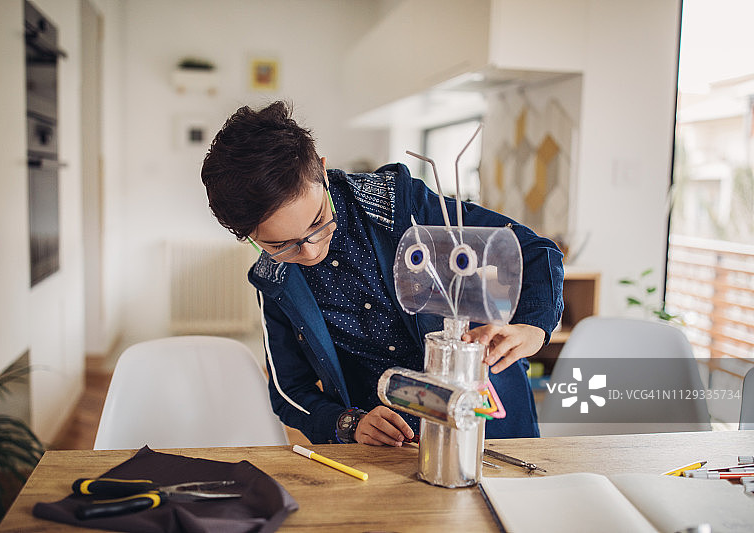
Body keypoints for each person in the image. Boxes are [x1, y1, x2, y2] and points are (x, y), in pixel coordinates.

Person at [201, 101, 564, 446]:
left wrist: (532, 327)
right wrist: (349, 423)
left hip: (485, 424)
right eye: (282, 245)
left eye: (317, 222)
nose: (309, 251)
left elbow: (535, 251)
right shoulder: (274, 279)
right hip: (389, 451)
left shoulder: (403, 205)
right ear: (246, 237)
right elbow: (289, 392)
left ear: (323, 173)